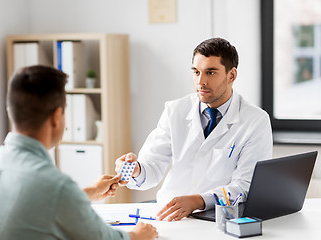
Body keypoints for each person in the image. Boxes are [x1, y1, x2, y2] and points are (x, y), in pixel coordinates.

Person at [0, 66, 158, 240]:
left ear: (10, 112)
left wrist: (89, 192)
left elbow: (33, 206)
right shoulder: (55, 186)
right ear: (57, 117)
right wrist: (138, 235)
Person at [115, 38, 273, 222]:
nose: (201, 81)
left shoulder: (255, 120)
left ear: (231, 76)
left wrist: (199, 201)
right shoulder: (175, 111)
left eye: (210, 72)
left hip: (218, 216)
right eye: (196, 72)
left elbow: (246, 185)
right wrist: (136, 169)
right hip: (170, 213)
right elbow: (152, 166)